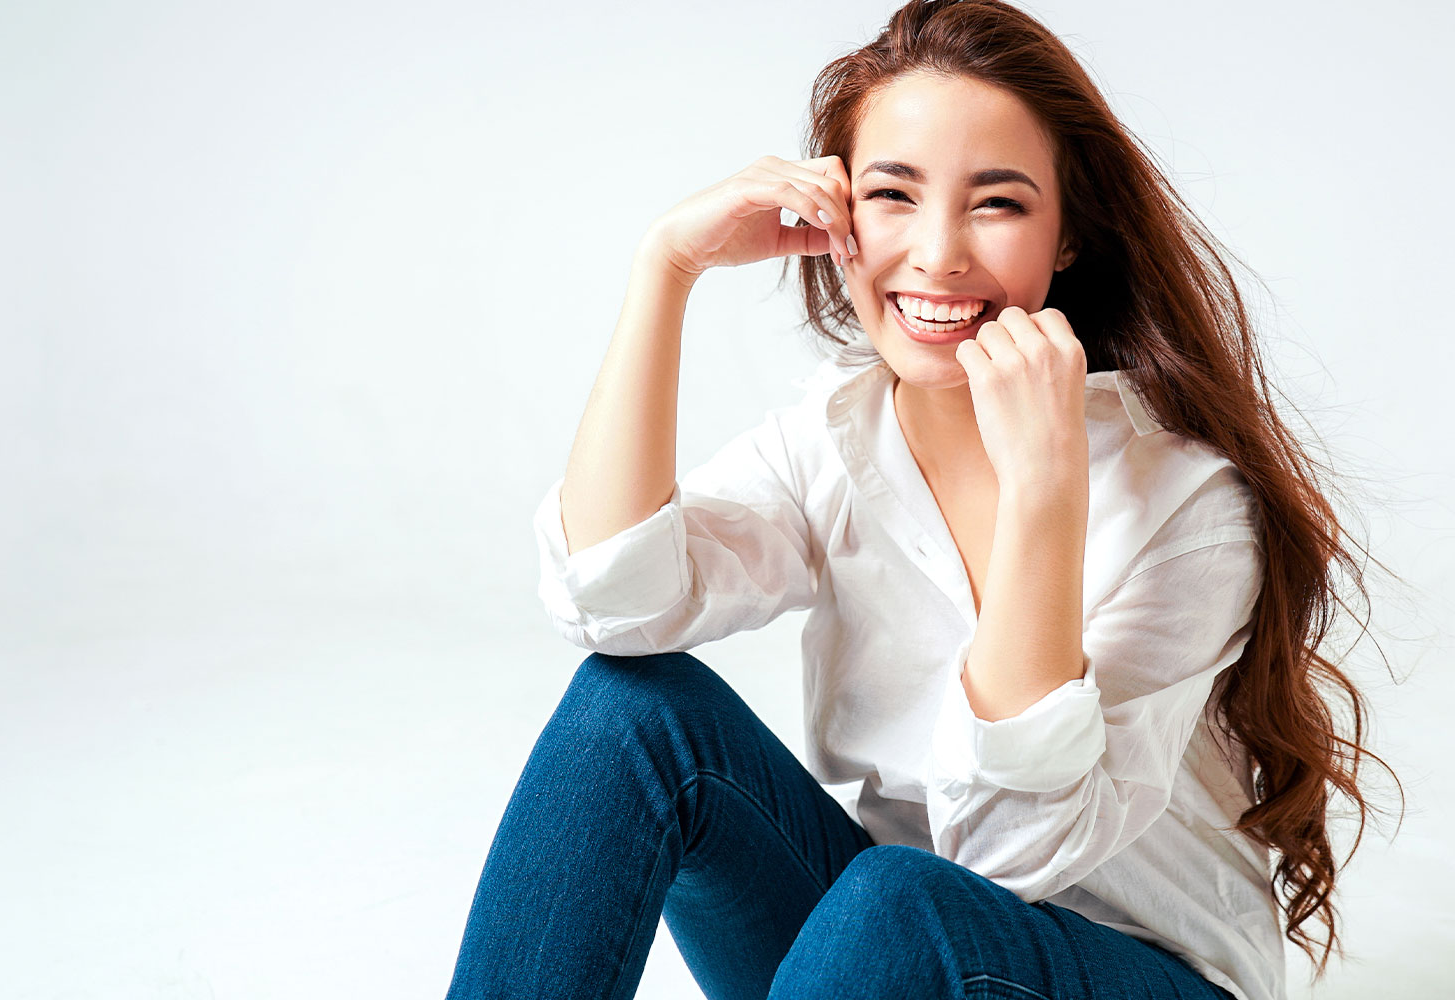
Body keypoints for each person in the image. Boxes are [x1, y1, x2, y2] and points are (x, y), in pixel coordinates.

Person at [440, 2, 1399, 999]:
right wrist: (665, 267)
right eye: (892, 195)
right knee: (628, 713)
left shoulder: (1185, 505)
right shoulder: (832, 440)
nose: (937, 255)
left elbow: (1010, 847)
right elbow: (611, 600)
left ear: (1066, 234)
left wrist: (1042, 488)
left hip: (1128, 969)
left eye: (995, 204)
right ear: (834, 215)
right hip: (876, 963)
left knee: (899, 897)